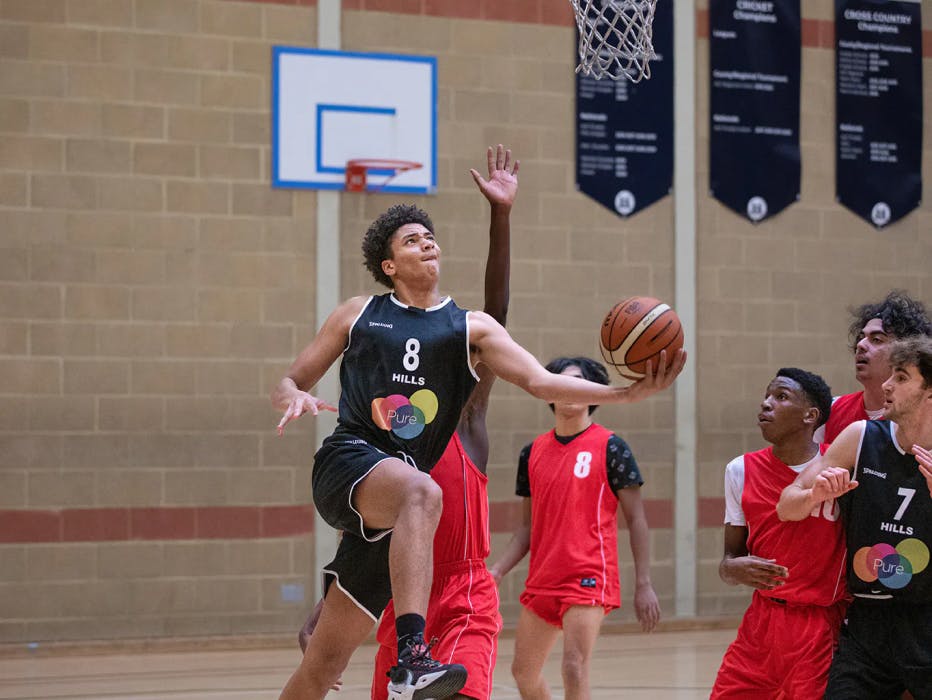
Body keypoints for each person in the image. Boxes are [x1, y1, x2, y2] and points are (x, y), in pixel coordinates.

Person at [272, 167, 686, 698]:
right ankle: (414, 655)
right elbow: (289, 378)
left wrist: (626, 395)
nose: (427, 243)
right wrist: (294, 395)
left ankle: (407, 655)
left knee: (321, 668)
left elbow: (539, 378)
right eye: (411, 240)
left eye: (430, 236)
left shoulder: (471, 330)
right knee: (422, 490)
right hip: (348, 458)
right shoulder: (358, 313)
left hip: (399, 529)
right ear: (389, 265)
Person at [369, 144, 516, 700]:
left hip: (463, 595)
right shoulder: (386, 436)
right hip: (401, 598)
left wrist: (500, 216)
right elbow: (360, 529)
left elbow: (495, 318)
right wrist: (326, 603)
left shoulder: (466, 414)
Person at [488, 356, 662, 700]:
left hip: (589, 574)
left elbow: (637, 519)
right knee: (523, 672)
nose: (568, 390)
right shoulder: (532, 452)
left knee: (574, 666)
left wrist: (644, 583)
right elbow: (527, 528)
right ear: (548, 392)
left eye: (577, 382)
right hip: (543, 577)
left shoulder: (612, 447)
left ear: (594, 394)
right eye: (560, 382)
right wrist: (497, 570)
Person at [776, 336, 932, 699]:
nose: (887, 385)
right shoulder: (861, 437)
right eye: (890, 374)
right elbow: (786, 504)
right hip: (868, 623)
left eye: (902, 377)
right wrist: (815, 494)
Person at [711, 368, 846, 699]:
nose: (766, 404)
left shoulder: (840, 466)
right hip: (762, 621)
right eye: (767, 395)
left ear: (810, 416)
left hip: (820, 624)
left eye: (781, 397)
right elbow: (730, 560)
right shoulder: (740, 469)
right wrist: (732, 569)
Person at [819, 290, 931, 444]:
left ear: (906, 351)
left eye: (876, 339)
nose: (860, 345)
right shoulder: (830, 409)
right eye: (861, 337)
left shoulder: (921, 418)